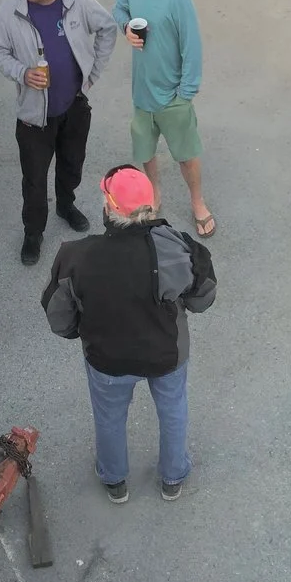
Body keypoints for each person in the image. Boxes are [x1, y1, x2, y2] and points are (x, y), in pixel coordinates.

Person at [41, 167, 216, 504]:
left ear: (109, 208)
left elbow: (59, 318)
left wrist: (84, 331)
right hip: (167, 353)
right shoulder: (179, 248)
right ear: (151, 206)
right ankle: (172, 478)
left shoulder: (76, 257)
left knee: (109, 416)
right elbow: (203, 297)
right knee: (173, 409)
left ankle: (115, 480)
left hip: (107, 358)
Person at [0, 0, 119, 265]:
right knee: (34, 180)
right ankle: (33, 232)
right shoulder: (10, 11)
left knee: (72, 164)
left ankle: (65, 205)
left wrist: (92, 73)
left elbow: (107, 28)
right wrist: (22, 73)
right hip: (33, 117)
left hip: (73, 105)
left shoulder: (77, 0)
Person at [110, 0, 214, 239]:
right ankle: (154, 192)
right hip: (142, 92)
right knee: (145, 149)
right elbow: (119, 9)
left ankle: (198, 203)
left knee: (186, 154)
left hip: (173, 97)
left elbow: (192, 47)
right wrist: (126, 27)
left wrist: (185, 94)